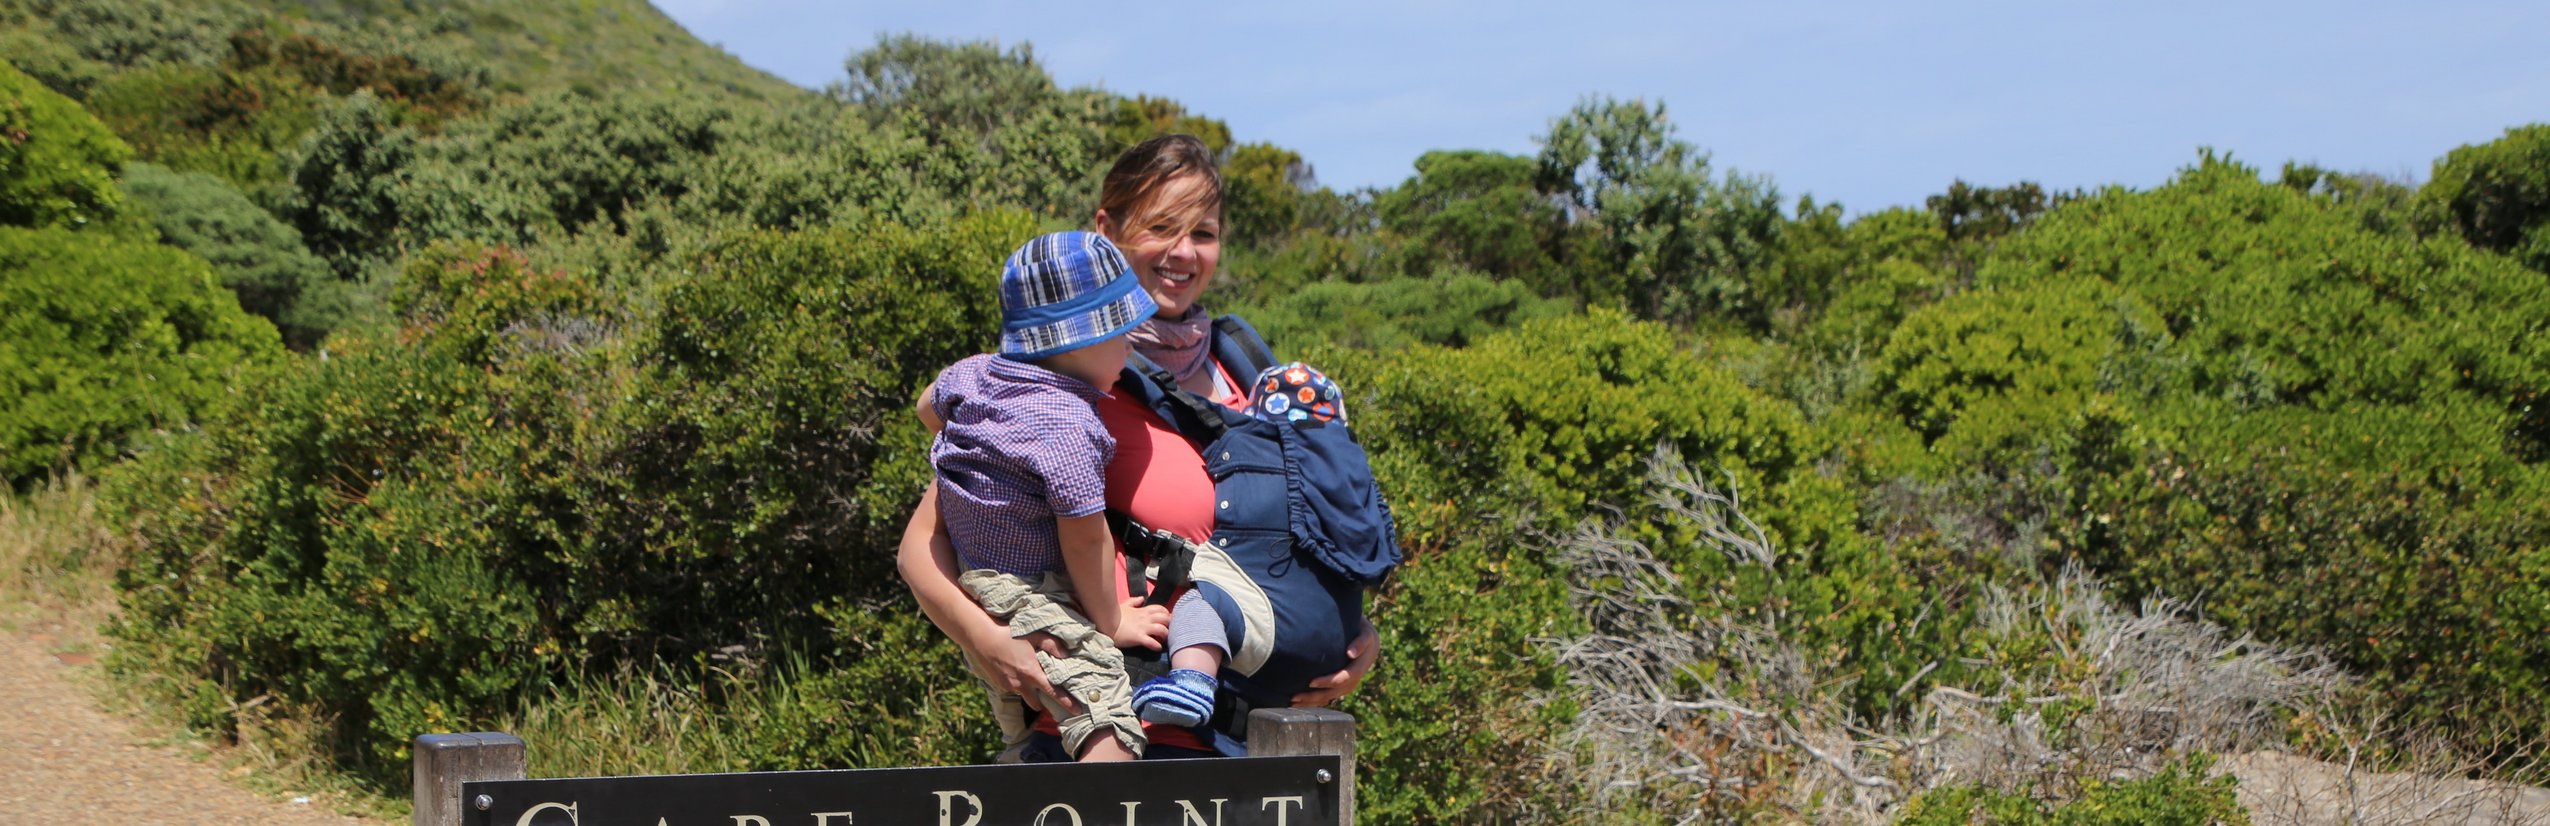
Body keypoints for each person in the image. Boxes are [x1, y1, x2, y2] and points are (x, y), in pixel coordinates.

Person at [898, 134, 1379, 762]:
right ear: (1108, 229)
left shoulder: (1254, 380)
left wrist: (1352, 636)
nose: (1183, 252)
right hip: (1120, 740)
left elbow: (1303, 537)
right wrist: (992, 645)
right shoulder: (1051, 385)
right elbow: (920, 549)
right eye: (1161, 228)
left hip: (1261, 748)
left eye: (1203, 233)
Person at [918, 230, 1171, 762]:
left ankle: (1018, 758)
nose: (1132, 343)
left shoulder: (972, 372)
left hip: (971, 575)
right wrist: (1115, 622)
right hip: (1033, 593)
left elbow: (926, 409)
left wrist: (983, 457)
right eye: (1121, 330)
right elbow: (1084, 541)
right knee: (1104, 712)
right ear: (1076, 339)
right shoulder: (1068, 427)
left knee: (1023, 712)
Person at [1128, 360, 1396, 737]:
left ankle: (1192, 681)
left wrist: (1137, 374)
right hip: (1339, 642)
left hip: (1258, 635)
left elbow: (1189, 412)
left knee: (1201, 603)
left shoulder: (1245, 437)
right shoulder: (1354, 471)